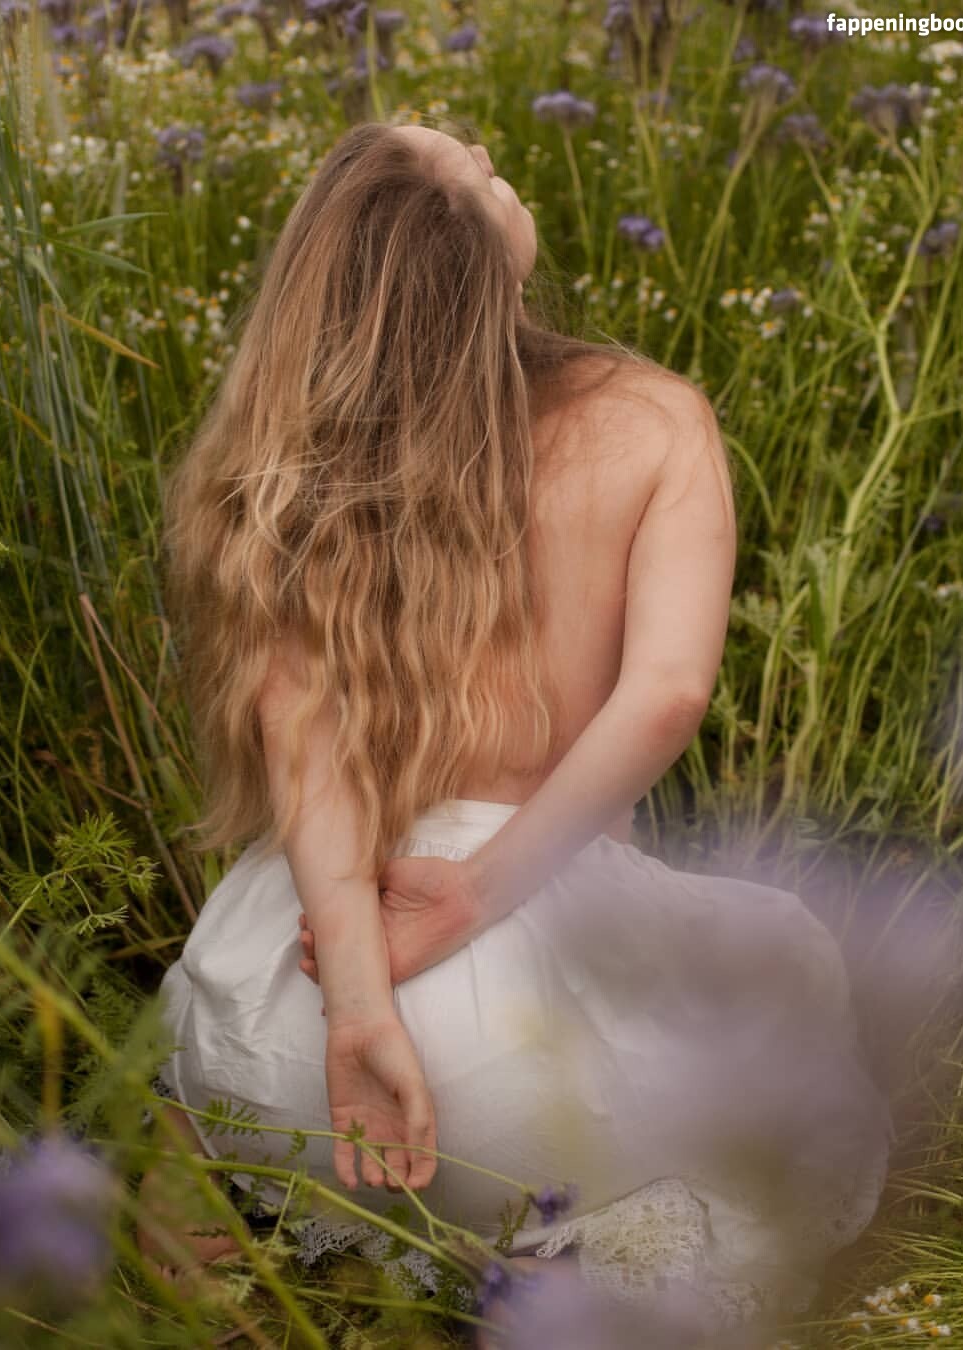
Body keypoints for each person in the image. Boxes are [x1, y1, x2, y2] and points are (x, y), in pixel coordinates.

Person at [137, 117, 891, 1339]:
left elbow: (300, 736)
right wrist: (478, 894)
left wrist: (361, 1012)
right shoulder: (654, 418)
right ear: (477, 256)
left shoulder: (302, 458)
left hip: (321, 1009)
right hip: (537, 1052)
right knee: (786, 983)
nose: (501, 169)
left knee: (209, 1062)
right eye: (485, 172)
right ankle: (561, 1270)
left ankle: (223, 1219)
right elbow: (667, 694)